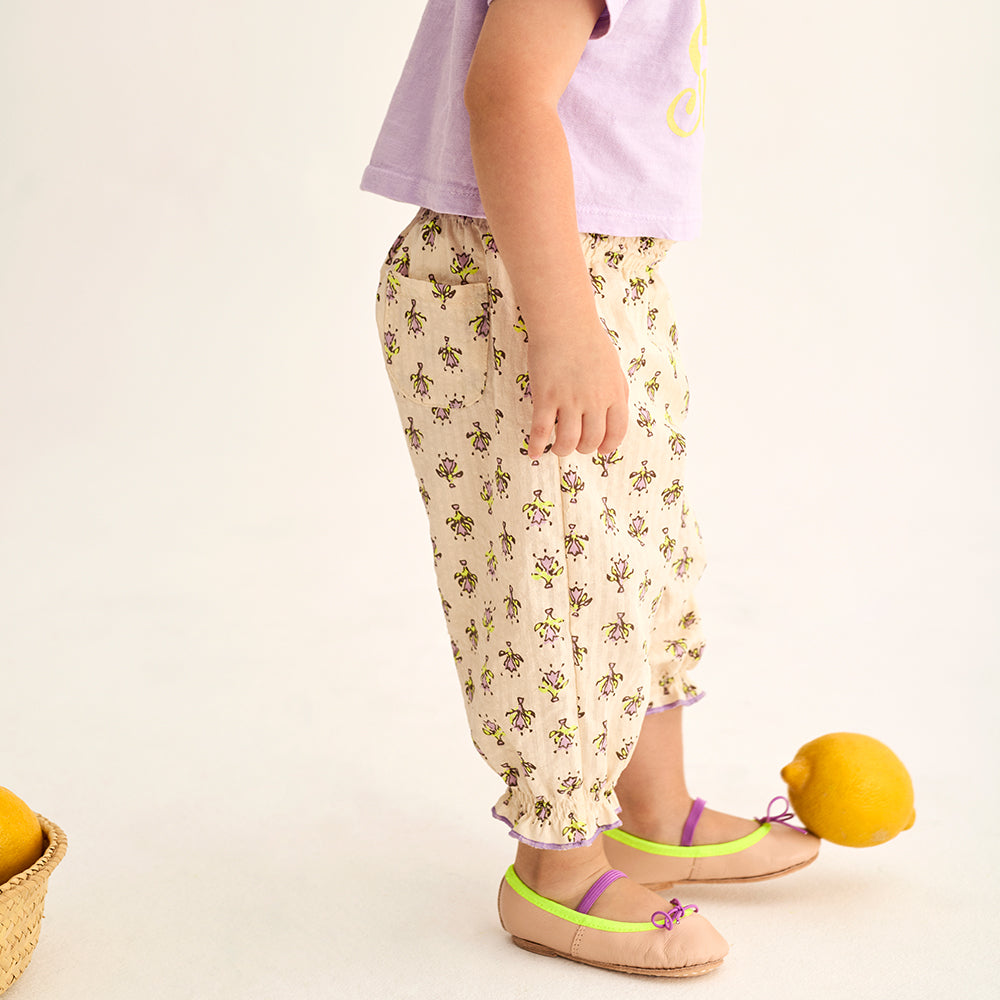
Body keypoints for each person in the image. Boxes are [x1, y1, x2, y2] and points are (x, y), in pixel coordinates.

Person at [360, 0, 820, 977]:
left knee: (644, 555)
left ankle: (652, 813)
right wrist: (563, 325)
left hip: (597, 273)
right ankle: (556, 865)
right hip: (517, 282)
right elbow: (509, 98)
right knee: (565, 584)